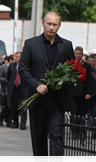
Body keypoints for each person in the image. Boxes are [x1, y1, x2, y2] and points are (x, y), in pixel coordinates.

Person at [18, 12, 75, 162]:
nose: (51, 27)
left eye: (55, 24)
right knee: (39, 138)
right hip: (37, 100)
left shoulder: (67, 45)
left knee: (56, 136)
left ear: (59, 26)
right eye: (49, 24)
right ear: (43, 23)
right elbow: (23, 69)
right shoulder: (31, 44)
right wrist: (36, 85)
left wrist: (64, 83)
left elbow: (72, 69)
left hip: (57, 100)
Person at [67, 46, 92, 139]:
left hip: (82, 93)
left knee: (80, 113)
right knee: (73, 112)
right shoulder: (71, 64)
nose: (78, 55)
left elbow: (89, 80)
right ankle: (73, 131)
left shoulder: (87, 65)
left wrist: (88, 92)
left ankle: (79, 131)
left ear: (82, 54)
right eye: (76, 53)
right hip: (72, 92)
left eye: (79, 54)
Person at [7, 52, 27, 130]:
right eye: (15, 57)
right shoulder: (12, 66)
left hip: (22, 89)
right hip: (14, 89)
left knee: (22, 107)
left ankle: (23, 124)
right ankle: (15, 123)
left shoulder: (25, 65)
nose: (16, 58)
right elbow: (8, 77)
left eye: (17, 57)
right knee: (14, 107)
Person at [0, 55, 14, 127]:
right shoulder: (3, 67)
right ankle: (1, 117)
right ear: (10, 60)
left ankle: (8, 121)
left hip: (13, 89)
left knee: (11, 106)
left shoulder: (14, 67)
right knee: (8, 105)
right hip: (5, 89)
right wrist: (6, 81)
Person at [85, 54, 96, 138]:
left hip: (94, 97)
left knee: (95, 115)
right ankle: (82, 133)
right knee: (84, 115)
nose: (93, 63)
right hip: (86, 96)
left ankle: (95, 133)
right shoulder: (84, 71)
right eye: (91, 61)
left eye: (94, 61)